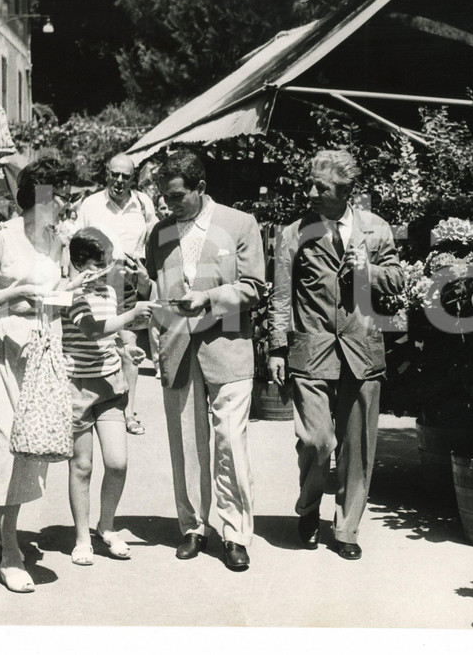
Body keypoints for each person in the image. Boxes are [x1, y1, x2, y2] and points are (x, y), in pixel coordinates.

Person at [269, 148, 404, 560]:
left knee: (358, 447)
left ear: (346, 191)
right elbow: (280, 296)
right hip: (311, 349)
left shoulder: (376, 229)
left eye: (321, 187)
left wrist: (369, 272)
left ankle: (346, 529)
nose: (310, 192)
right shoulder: (294, 233)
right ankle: (309, 507)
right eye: (310, 183)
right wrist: (276, 348)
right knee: (316, 440)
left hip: (363, 349)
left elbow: (397, 279)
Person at [0, 157, 89, 593]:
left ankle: (8, 534)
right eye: (59, 196)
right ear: (37, 197)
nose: (65, 204)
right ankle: (11, 551)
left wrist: (80, 284)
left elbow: (53, 295)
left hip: (37, 353)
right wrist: (15, 293)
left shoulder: (56, 241)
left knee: (29, 447)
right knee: (4, 447)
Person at [137, 149, 265, 571]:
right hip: (178, 350)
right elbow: (156, 289)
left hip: (228, 347)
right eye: (163, 197)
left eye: (176, 197)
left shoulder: (240, 224)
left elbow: (253, 288)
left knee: (230, 443)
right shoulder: (157, 235)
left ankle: (235, 533)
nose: (167, 205)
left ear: (201, 189)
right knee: (187, 447)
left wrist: (209, 298)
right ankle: (193, 527)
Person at [62, 228, 157, 566]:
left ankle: (106, 526)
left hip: (110, 384)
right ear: (79, 263)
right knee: (83, 466)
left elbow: (110, 334)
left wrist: (127, 348)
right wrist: (130, 318)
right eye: (100, 264)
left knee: (117, 462)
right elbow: (89, 327)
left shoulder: (109, 291)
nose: (107, 269)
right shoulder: (68, 295)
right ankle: (82, 538)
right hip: (77, 387)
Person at [76, 153, 157, 436]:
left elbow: (154, 238)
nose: (120, 181)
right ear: (106, 174)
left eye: (126, 176)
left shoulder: (143, 204)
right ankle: (94, 405)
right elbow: (75, 244)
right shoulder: (91, 204)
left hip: (129, 277)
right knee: (99, 341)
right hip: (97, 278)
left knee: (129, 346)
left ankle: (128, 412)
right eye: (115, 174)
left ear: (133, 178)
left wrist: (147, 275)